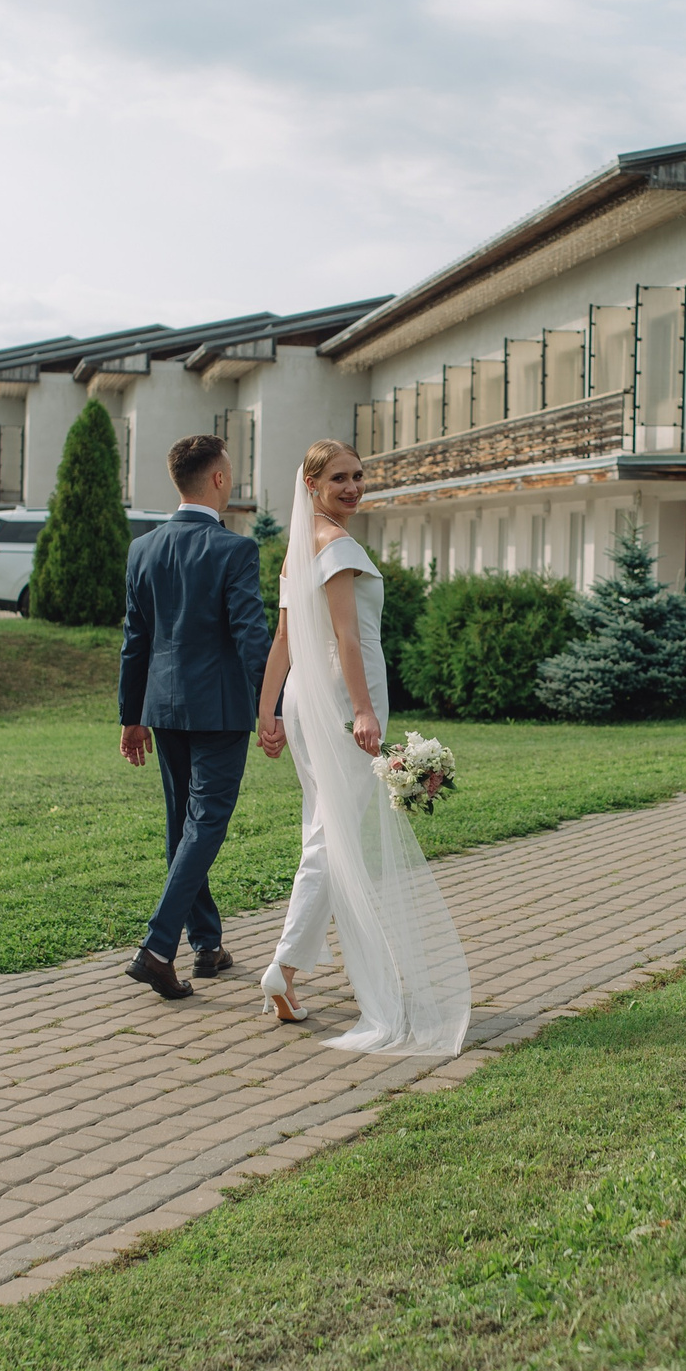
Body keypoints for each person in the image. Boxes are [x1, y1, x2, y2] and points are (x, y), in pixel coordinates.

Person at [253, 440, 470, 1056]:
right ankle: (286, 967)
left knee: (321, 831)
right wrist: (366, 710)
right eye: (340, 479)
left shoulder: (301, 549)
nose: (353, 487)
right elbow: (348, 638)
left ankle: (287, 974)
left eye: (359, 476)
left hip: (305, 700)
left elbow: (284, 642)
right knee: (332, 837)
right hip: (341, 705)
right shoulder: (338, 547)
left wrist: (267, 709)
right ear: (313, 484)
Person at [116, 434, 270, 1000]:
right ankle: (159, 948)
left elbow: (135, 641)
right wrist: (272, 704)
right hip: (221, 709)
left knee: (183, 824)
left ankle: (206, 944)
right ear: (219, 480)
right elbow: (251, 635)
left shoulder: (143, 549)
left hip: (162, 706)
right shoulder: (235, 550)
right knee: (204, 823)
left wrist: (131, 716)